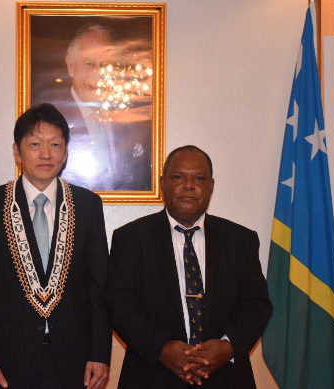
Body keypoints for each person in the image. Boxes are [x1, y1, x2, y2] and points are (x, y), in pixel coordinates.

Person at [0, 103, 112, 389]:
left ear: (66, 152)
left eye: (55, 144)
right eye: (34, 144)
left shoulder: (88, 205)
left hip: (76, 361)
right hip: (6, 362)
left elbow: (99, 289)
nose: (46, 154)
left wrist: (100, 354)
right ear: (17, 152)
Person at [105, 145, 273, 388]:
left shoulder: (241, 240)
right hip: (152, 375)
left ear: (211, 186)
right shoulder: (131, 238)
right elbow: (119, 304)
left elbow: (257, 305)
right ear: (163, 184)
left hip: (226, 376)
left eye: (199, 178)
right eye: (178, 177)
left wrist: (228, 346)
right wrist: (160, 348)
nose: (188, 185)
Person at [58, 23, 152, 191]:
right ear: (70, 66)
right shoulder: (53, 121)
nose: (99, 75)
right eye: (89, 64)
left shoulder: (135, 122)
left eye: (106, 65)